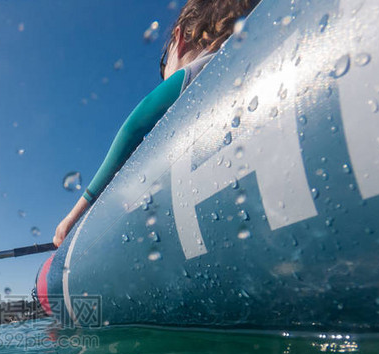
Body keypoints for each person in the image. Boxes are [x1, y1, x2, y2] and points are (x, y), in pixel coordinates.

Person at [53, 0, 261, 247]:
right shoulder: (248, 54)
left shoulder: (202, 67)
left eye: (163, 65)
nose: (163, 75)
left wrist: (74, 215)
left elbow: (136, 125)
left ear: (180, 38)